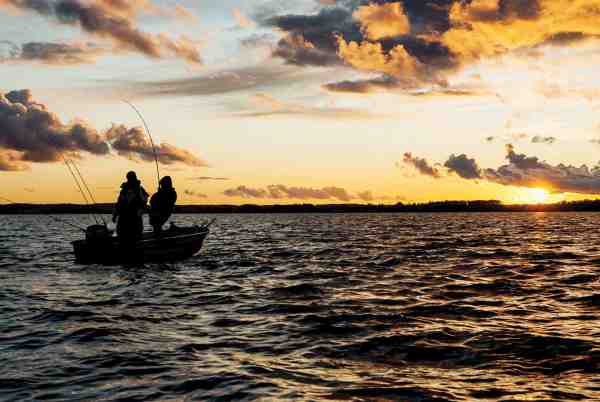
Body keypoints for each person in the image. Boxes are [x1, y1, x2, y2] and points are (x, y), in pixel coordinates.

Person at [112, 171, 149, 244]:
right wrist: (115, 215)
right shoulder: (123, 190)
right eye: (129, 178)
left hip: (134, 217)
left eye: (132, 178)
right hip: (124, 217)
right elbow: (119, 203)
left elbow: (144, 201)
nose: (131, 179)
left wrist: (141, 210)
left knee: (135, 237)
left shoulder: (140, 189)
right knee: (123, 236)